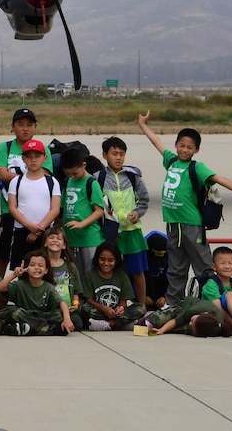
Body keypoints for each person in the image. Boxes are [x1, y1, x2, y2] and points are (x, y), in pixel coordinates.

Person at [138, 111, 232, 307]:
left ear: (196, 150)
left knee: (203, 267)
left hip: (192, 225)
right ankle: (173, 303)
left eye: (189, 147)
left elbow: (220, 179)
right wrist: (143, 125)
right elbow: (157, 143)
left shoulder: (196, 168)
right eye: (181, 145)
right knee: (175, 267)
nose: (184, 150)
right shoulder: (171, 161)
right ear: (176, 145)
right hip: (174, 226)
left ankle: (211, 302)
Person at [0, 108, 51, 274]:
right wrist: (31, 177)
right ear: (12, 127)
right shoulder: (6, 147)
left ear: (35, 127)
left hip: (37, 214)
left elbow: (45, 176)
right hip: (10, 211)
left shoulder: (43, 149)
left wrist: (20, 178)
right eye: (20, 124)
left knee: (38, 256)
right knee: (4, 252)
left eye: (29, 124)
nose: (25, 128)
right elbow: (2, 173)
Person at [97, 136, 149, 309]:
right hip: (110, 233)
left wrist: (137, 213)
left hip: (132, 232)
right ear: (104, 155)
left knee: (137, 271)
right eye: (114, 153)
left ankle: (141, 306)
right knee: (113, 271)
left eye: (122, 154)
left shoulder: (133, 177)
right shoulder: (99, 178)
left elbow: (144, 200)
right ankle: (117, 306)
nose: (118, 157)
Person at [6, 139, 62, 268]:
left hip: (45, 232)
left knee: (46, 269)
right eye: (29, 157)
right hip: (22, 232)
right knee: (21, 268)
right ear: (23, 158)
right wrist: (29, 226)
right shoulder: (16, 181)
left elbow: (55, 209)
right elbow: (12, 207)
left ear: (45, 158)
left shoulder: (52, 182)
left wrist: (38, 229)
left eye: (37, 156)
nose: (33, 160)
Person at [0, 250, 75, 336]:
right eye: (32, 265)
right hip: (24, 314)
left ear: (46, 270)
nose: (36, 268)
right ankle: (49, 330)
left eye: (40, 265)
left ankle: (29, 328)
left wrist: (67, 319)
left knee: (59, 314)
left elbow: (61, 302)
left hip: (40, 316)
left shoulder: (48, 286)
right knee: (13, 311)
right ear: (26, 268)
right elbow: (0, 288)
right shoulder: (19, 285)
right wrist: (14, 274)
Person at [59, 146, 106, 277]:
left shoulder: (91, 183)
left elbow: (99, 211)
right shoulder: (67, 182)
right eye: (68, 174)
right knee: (74, 275)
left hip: (89, 239)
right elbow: (63, 208)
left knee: (90, 275)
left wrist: (82, 224)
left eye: (75, 173)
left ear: (83, 165)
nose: (72, 176)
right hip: (71, 239)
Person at [79, 243, 144, 331]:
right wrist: (104, 309)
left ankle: (110, 324)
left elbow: (124, 300)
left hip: (116, 313)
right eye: (102, 259)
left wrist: (121, 308)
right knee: (83, 309)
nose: (106, 263)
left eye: (110, 260)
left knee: (141, 308)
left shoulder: (122, 276)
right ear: (97, 259)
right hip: (100, 311)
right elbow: (88, 300)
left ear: (116, 261)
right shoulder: (90, 276)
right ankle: (123, 324)